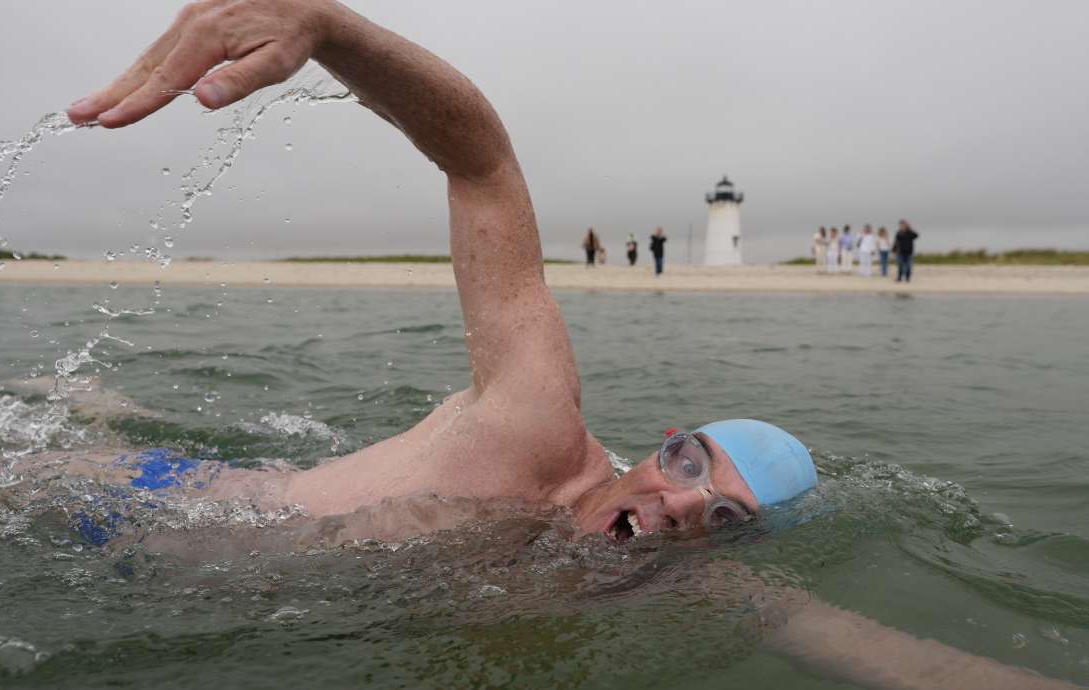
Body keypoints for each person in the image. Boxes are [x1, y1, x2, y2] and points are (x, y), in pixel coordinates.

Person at [64, 4, 1077, 688]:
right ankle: (93, 417)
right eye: (689, 466)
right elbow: (481, 162)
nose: (684, 505)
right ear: (661, 443)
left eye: (722, 516)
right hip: (125, 503)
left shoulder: (684, 575)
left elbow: (899, 659)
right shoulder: (533, 428)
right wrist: (328, 25)